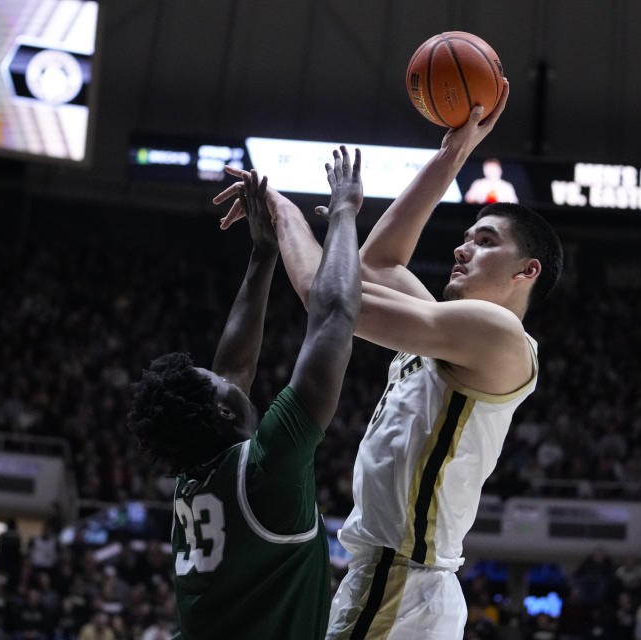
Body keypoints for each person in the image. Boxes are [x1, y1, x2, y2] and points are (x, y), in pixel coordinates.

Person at [253, 79, 564, 638]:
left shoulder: (496, 332)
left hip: (400, 583)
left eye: (486, 240)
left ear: (527, 272)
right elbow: (373, 265)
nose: (461, 246)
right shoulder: (451, 332)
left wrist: (286, 215)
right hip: (400, 585)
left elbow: (330, 301)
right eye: (466, 235)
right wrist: (453, 155)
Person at [128, 148, 364, 639]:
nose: (225, 375)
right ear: (220, 410)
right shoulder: (265, 470)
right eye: (214, 380)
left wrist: (262, 253)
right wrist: (344, 211)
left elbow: (233, 369)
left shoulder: (194, 476)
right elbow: (336, 313)